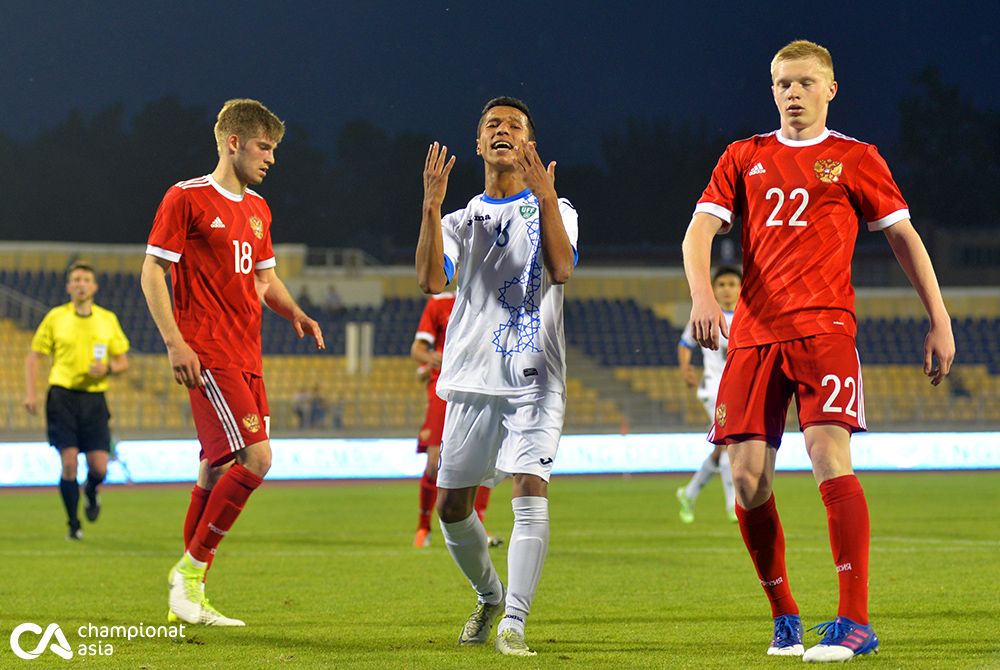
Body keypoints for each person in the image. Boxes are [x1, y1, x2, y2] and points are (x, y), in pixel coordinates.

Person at [682, 40, 955, 662]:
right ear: (772, 90)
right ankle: (785, 617)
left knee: (829, 455)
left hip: (826, 332)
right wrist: (703, 297)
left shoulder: (855, 159)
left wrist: (939, 318)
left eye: (805, 82)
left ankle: (855, 622)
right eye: (783, 84)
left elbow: (905, 240)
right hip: (753, 335)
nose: (793, 93)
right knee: (748, 480)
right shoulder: (743, 156)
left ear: (830, 90)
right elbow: (697, 232)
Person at [141, 98, 325, 627]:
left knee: (214, 465)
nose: (272, 158)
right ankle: (191, 573)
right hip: (209, 352)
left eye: (275, 149)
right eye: (265, 147)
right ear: (234, 142)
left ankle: (190, 592)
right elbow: (153, 273)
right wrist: (176, 343)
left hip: (249, 355)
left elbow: (264, 280)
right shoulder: (187, 198)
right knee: (258, 460)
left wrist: (296, 313)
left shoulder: (259, 210)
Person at [416, 96, 578, 657]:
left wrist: (548, 197)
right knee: (452, 508)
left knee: (530, 489)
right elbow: (430, 280)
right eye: (492, 126)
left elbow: (560, 269)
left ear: (529, 144)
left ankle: (514, 620)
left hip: (535, 378)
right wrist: (431, 207)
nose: (502, 130)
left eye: (513, 125)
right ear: (480, 145)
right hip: (471, 378)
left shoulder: (559, 208)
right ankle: (489, 596)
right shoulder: (460, 219)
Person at [24, 262, 130, 540]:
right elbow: (34, 355)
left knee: (99, 467)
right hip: (63, 396)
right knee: (69, 462)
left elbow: (122, 360)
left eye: (86, 279)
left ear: (94, 286)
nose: (81, 284)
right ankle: (74, 524)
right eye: (76, 280)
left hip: (95, 399)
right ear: (69, 287)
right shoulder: (55, 317)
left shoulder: (107, 319)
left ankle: (92, 491)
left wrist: (108, 368)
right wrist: (31, 393)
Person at [411, 293, 499, 549]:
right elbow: (417, 349)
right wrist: (430, 359)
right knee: (434, 462)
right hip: (444, 386)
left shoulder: (489, 299)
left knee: (484, 460)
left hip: (479, 385)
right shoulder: (439, 303)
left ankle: (479, 526)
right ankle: (423, 527)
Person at [675, 266, 741, 524]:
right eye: (722, 284)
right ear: (713, 289)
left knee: (721, 447)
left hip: (738, 390)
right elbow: (685, 343)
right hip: (714, 388)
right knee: (729, 444)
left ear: (740, 288)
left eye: (732, 284)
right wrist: (685, 369)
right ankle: (731, 505)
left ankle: (688, 493)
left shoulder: (747, 316)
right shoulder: (706, 315)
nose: (727, 289)